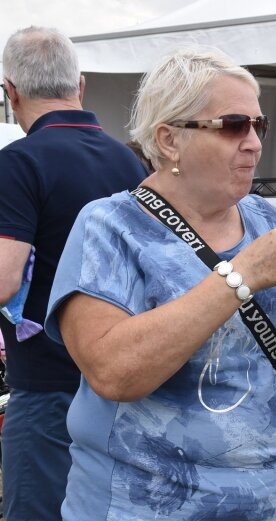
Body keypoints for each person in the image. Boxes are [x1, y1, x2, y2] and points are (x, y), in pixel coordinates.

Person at [43, 47, 276, 520]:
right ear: (169, 140)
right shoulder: (110, 226)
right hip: (146, 506)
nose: (254, 143)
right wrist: (241, 276)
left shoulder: (265, 220)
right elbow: (113, 372)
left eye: (258, 125)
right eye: (233, 126)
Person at [0, 26, 148, 520]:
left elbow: (4, 278)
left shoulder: (17, 162)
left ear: (11, 92)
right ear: (79, 86)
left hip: (46, 386)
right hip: (121, 378)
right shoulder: (127, 160)